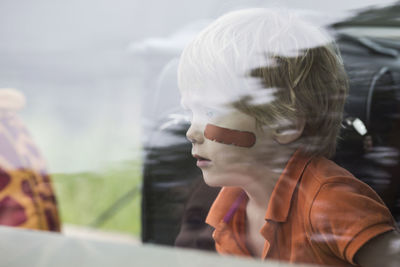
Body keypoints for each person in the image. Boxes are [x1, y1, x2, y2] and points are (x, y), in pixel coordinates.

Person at [177, 8, 400, 266]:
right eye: (190, 112)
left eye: (210, 111)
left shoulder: (332, 203)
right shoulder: (228, 209)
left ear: (285, 125)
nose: (191, 133)